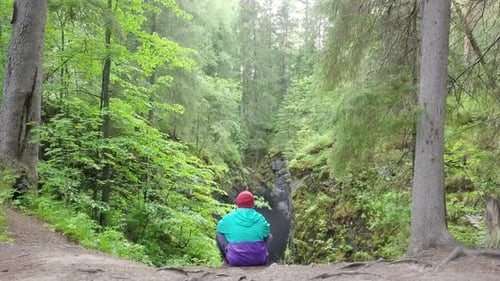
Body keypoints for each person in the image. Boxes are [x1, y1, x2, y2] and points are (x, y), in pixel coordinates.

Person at [216, 190, 272, 266]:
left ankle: (226, 259)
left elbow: (219, 228)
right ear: (253, 203)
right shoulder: (260, 218)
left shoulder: (228, 218)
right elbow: (266, 232)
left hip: (235, 260)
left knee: (219, 233)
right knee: (269, 235)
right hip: (259, 260)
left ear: (237, 203)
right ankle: (262, 254)